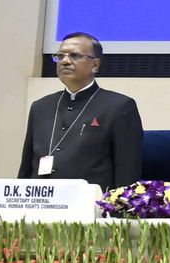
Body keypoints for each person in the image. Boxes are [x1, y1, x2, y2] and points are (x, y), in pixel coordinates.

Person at [18, 32, 144, 189]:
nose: (65, 61)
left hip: (90, 202)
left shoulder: (119, 107)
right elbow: (26, 169)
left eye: (75, 55)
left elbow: (127, 173)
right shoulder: (40, 107)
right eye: (60, 55)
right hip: (41, 201)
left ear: (95, 65)